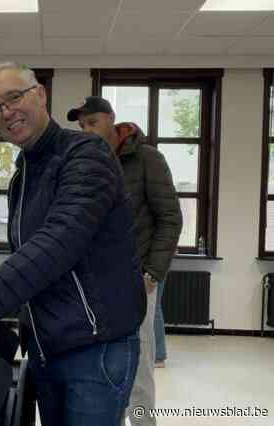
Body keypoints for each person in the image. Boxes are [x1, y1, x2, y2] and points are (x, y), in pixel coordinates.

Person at [0, 62, 146, 426]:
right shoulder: (24, 176)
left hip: (95, 349)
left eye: (13, 97)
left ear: (41, 94)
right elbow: (29, 262)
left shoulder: (85, 153)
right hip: (47, 349)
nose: (6, 112)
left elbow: (56, 244)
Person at [68, 96, 183, 426]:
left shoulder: (146, 158)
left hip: (137, 281)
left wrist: (153, 273)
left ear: (110, 119)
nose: (87, 131)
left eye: (93, 123)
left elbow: (170, 219)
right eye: (82, 126)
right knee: (104, 367)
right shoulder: (86, 162)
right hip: (96, 285)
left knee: (139, 368)